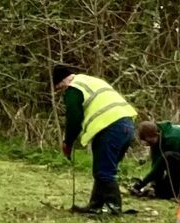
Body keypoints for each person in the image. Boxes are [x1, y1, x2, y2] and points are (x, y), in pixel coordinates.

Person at [53, 63, 138, 214]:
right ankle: (96, 205)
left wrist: (68, 142)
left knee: (104, 171)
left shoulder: (74, 89)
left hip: (110, 126)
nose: (61, 92)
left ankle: (114, 207)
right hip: (127, 125)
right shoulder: (91, 81)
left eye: (59, 88)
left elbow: (74, 118)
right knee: (103, 169)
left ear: (63, 82)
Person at [133, 118, 180, 201]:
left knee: (169, 157)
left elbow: (171, 167)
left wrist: (141, 183)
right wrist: (154, 185)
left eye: (149, 141)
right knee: (162, 193)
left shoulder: (173, 138)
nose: (148, 144)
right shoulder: (158, 140)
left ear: (156, 134)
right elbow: (156, 166)